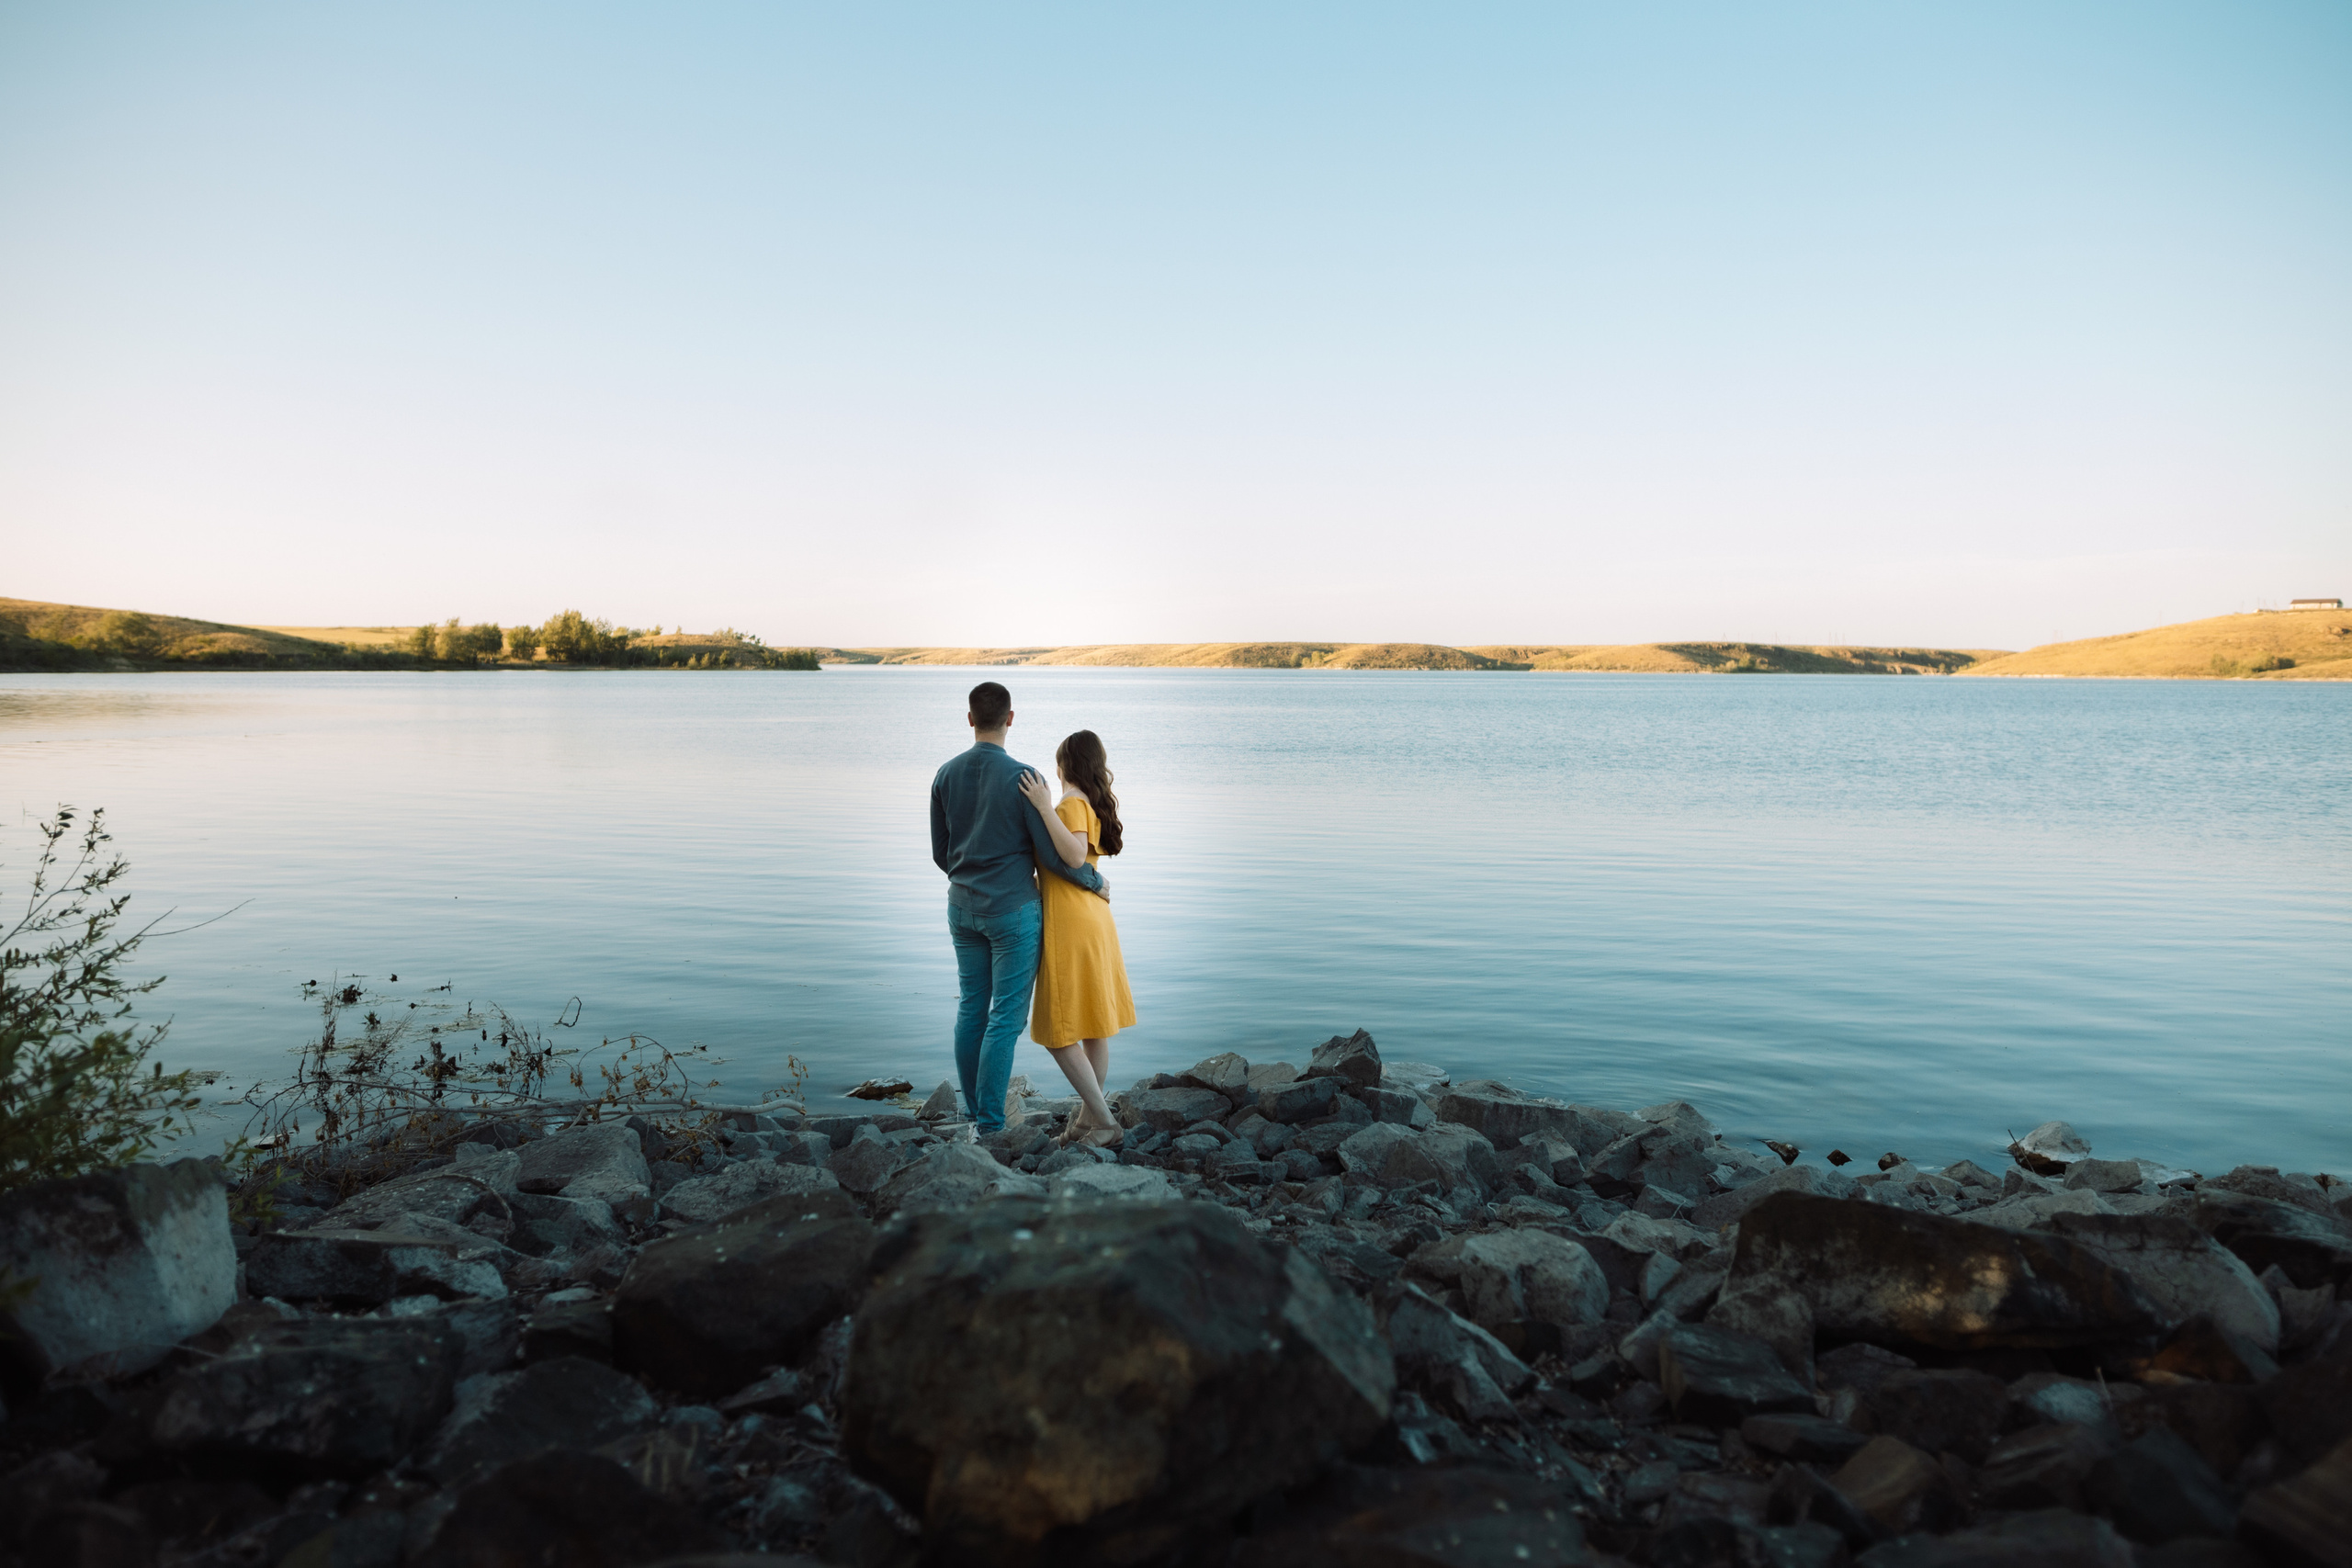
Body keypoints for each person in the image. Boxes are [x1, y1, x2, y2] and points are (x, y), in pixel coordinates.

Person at [930, 682, 1108, 1134]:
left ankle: (973, 1113)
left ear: (970, 719)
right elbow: (1053, 857)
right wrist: (1094, 879)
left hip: (962, 908)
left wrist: (969, 875)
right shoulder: (1027, 778)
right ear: (1010, 719)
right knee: (1004, 1018)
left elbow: (940, 852)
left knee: (971, 1008)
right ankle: (990, 1125)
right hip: (1012, 913)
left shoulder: (944, 774)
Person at [1016, 730, 1136, 1145]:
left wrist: (1044, 808)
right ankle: (1087, 1120)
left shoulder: (1070, 805)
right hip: (1092, 920)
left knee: (1057, 1030)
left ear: (1064, 765)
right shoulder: (1089, 803)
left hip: (1072, 925)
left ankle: (1104, 1122)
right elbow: (1074, 862)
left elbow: (1072, 854)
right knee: (1092, 1026)